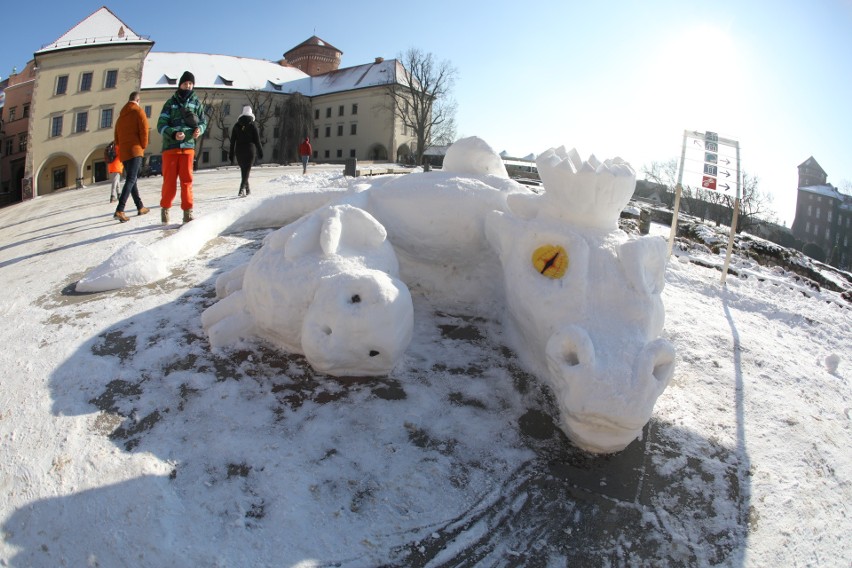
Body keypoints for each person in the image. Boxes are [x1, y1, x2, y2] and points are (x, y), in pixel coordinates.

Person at [157, 70, 207, 224]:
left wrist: (200, 130)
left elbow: (203, 122)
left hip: (188, 148)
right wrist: (173, 134)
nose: (188, 86)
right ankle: (165, 209)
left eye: (191, 84)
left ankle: (188, 213)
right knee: (169, 182)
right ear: (180, 85)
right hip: (171, 148)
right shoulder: (170, 103)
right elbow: (161, 125)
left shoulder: (196, 103)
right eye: (186, 83)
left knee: (187, 181)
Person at [113, 92, 150, 223]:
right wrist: (143, 146)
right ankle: (120, 209)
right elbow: (144, 130)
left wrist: (121, 149)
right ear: (138, 100)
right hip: (135, 150)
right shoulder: (139, 112)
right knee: (131, 179)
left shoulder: (120, 117)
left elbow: (116, 137)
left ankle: (140, 207)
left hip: (124, 153)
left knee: (131, 179)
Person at [229, 105, 263, 197]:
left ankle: (247, 189)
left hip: (239, 150)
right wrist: (260, 152)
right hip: (250, 150)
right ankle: (241, 189)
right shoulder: (253, 126)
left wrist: (231, 154)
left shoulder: (236, 126)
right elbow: (257, 141)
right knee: (246, 170)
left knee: (243, 170)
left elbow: (232, 141)